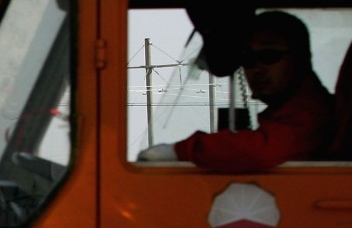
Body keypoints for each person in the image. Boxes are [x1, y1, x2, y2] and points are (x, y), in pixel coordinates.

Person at [138, 11, 334, 172]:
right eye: (247, 59)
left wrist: (180, 152)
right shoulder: (290, 111)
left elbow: (262, 152)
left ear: (302, 58)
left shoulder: (311, 112)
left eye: (268, 55)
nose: (257, 68)